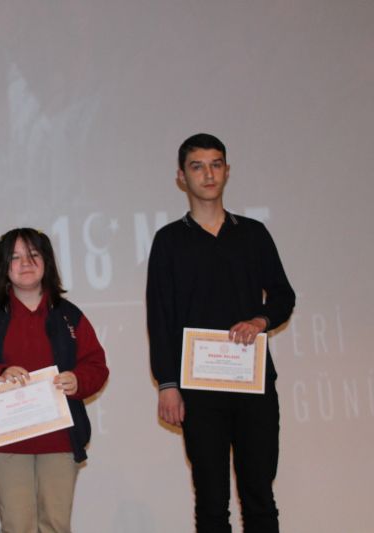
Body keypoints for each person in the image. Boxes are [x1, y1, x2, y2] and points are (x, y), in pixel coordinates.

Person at [146, 133, 296, 532]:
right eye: (197, 166)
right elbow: (160, 318)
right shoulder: (169, 241)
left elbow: (283, 296)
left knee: (260, 497)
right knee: (212, 503)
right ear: (182, 177)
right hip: (199, 390)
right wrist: (167, 384)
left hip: (253, 383)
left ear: (227, 171)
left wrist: (260, 321)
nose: (208, 174)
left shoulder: (253, 233)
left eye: (216, 165)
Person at [0, 228, 109, 533]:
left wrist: (78, 380)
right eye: (15, 257)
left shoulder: (69, 315)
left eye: (33, 255)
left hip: (60, 440)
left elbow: (97, 365)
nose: (25, 263)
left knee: (55, 524)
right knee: (17, 525)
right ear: (4, 267)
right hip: (6, 443)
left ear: (47, 262)